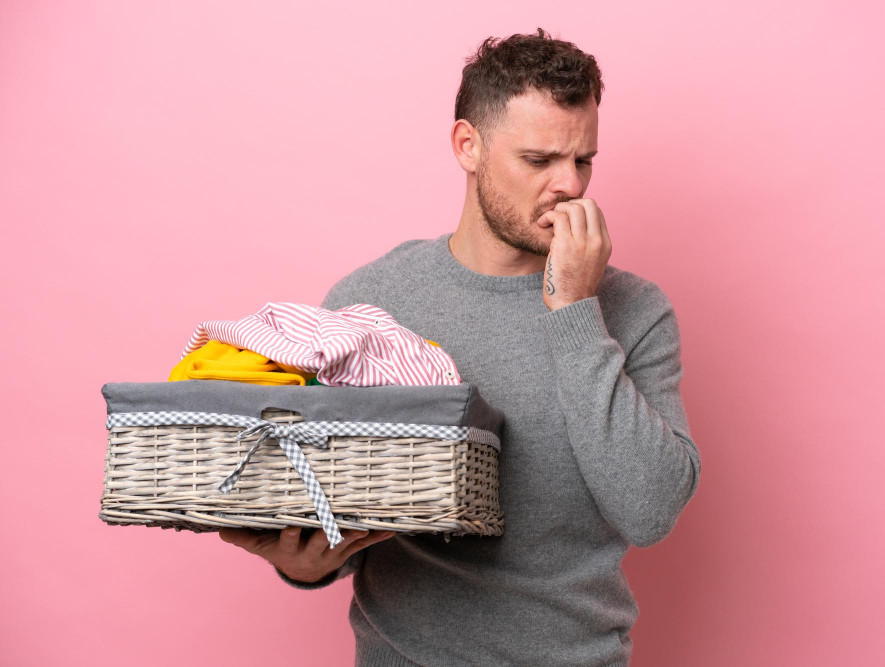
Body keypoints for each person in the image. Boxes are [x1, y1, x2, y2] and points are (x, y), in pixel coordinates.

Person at [219, 28, 701, 666]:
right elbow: (332, 504)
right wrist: (303, 566)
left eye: (583, 161)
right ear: (467, 145)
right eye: (539, 160)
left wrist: (577, 312)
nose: (569, 186)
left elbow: (650, 511)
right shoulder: (372, 301)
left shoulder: (634, 311)